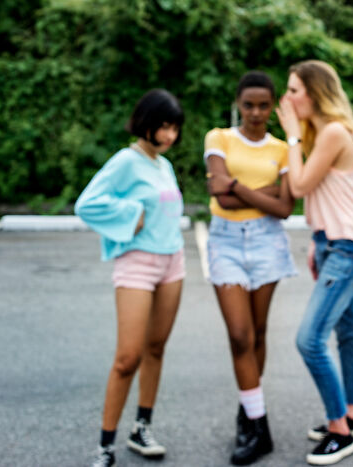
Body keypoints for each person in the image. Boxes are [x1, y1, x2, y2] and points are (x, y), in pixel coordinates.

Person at [75, 89, 186, 467]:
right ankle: (105, 447)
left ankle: (142, 429)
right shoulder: (126, 160)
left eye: (175, 128)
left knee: (156, 350)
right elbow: (86, 203)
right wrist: (129, 212)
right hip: (137, 264)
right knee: (127, 358)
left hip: (174, 263)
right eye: (164, 127)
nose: (170, 135)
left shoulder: (163, 164)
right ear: (146, 123)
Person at [276, 60, 353, 466]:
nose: (287, 99)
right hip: (336, 244)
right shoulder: (326, 132)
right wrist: (317, 241)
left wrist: (290, 137)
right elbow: (324, 198)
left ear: (315, 93)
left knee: (309, 339)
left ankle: (339, 431)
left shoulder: (333, 132)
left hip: (348, 248)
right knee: (348, 334)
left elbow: (300, 185)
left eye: (294, 90)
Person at [203, 71, 297, 465]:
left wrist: (237, 186)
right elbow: (218, 196)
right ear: (238, 104)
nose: (255, 112)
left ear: (273, 106)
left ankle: (247, 408)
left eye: (263, 105)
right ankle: (260, 426)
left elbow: (286, 207)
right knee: (240, 336)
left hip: (267, 242)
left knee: (258, 332)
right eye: (248, 105)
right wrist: (265, 193)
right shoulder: (218, 137)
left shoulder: (282, 148)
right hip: (225, 242)